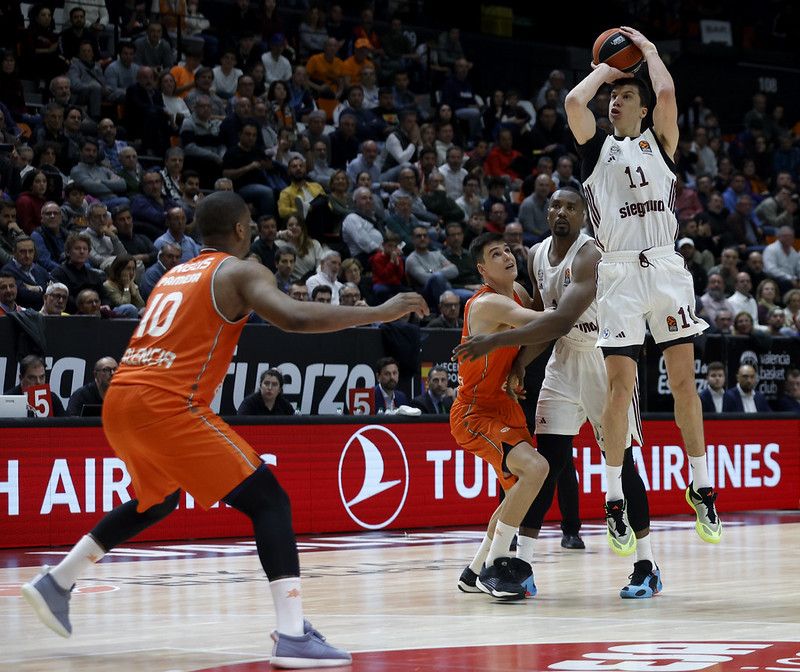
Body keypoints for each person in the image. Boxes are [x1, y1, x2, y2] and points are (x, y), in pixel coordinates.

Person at [21, 191, 427, 667]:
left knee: (159, 499)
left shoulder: (175, 274)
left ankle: (58, 581)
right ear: (240, 229)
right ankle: (293, 633)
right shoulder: (240, 270)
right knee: (269, 498)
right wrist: (379, 312)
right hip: (165, 403)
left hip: (121, 399)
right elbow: (293, 317)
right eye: (250, 225)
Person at [453, 190, 660, 597]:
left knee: (624, 463)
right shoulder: (534, 256)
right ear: (545, 214)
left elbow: (558, 320)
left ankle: (646, 564)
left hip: (603, 358)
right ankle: (521, 564)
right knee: (546, 462)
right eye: (554, 206)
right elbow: (535, 324)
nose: (561, 212)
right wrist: (518, 363)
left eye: (571, 206)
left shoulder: (589, 255)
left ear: (584, 215)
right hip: (562, 362)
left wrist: (503, 353)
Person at [565, 26, 720, 550]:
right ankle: (613, 498)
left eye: (626, 97)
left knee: (683, 383)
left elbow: (670, 93)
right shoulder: (595, 151)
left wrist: (649, 52)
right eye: (612, 97)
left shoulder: (662, 143)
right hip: (619, 274)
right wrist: (608, 70)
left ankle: (701, 486)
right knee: (620, 388)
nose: (614, 102)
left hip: (666, 269)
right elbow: (572, 100)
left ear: (644, 110)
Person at [449, 232, 549, 600]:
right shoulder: (487, 304)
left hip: (502, 403)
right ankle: (495, 567)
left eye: (508, 249)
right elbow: (545, 323)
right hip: (474, 412)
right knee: (536, 470)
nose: (507, 256)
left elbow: (536, 336)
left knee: (516, 496)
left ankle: (473, 571)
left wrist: (517, 366)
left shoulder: (517, 292)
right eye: (496, 254)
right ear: (482, 270)